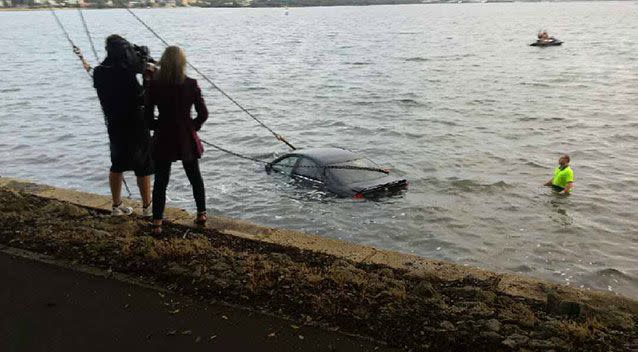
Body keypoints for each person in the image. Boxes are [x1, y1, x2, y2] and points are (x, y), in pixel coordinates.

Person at [145, 46, 209, 235]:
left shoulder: (154, 85)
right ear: (182, 63)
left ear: (162, 62)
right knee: (194, 176)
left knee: (161, 181)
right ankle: (201, 213)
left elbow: (147, 117)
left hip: (164, 136)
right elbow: (203, 113)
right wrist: (193, 126)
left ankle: (157, 221)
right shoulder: (191, 83)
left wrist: (157, 126)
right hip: (185, 136)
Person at [93, 34, 155, 216]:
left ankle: (116, 205)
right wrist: (148, 78)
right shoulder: (125, 73)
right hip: (135, 122)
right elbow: (141, 99)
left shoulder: (99, 71)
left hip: (114, 123)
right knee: (143, 165)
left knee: (117, 164)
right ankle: (147, 207)